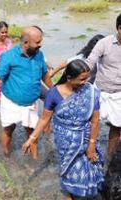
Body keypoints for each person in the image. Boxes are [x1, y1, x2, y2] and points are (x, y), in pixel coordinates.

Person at [22, 59, 104, 200]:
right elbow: (44, 119)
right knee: (70, 168)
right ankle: (70, 194)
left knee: (88, 167)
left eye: (87, 78)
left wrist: (91, 145)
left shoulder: (90, 92)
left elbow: (95, 121)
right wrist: (32, 138)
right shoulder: (53, 93)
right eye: (82, 79)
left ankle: (87, 193)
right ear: (69, 78)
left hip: (85, 137)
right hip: (65, 140)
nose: (86, 82)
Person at [0, 26, 53, 158]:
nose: (41, 44)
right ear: (26, 42)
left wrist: (54, 90)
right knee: (9, 129)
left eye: (41, 41)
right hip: (11, 102)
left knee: (32, 132)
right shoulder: (9, 56)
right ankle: (6, 156)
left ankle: (34, 159)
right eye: (37, 42)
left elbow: (45, 76)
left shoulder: (39, 55)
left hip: (31, 103)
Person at [86, 13, 121, 155]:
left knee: (116, 126)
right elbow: (89, 63)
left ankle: (109, 157)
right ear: (119, 28)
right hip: (100, 91)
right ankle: (89, 150)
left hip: (119, 94)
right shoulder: (104, 43)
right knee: (92, 122)